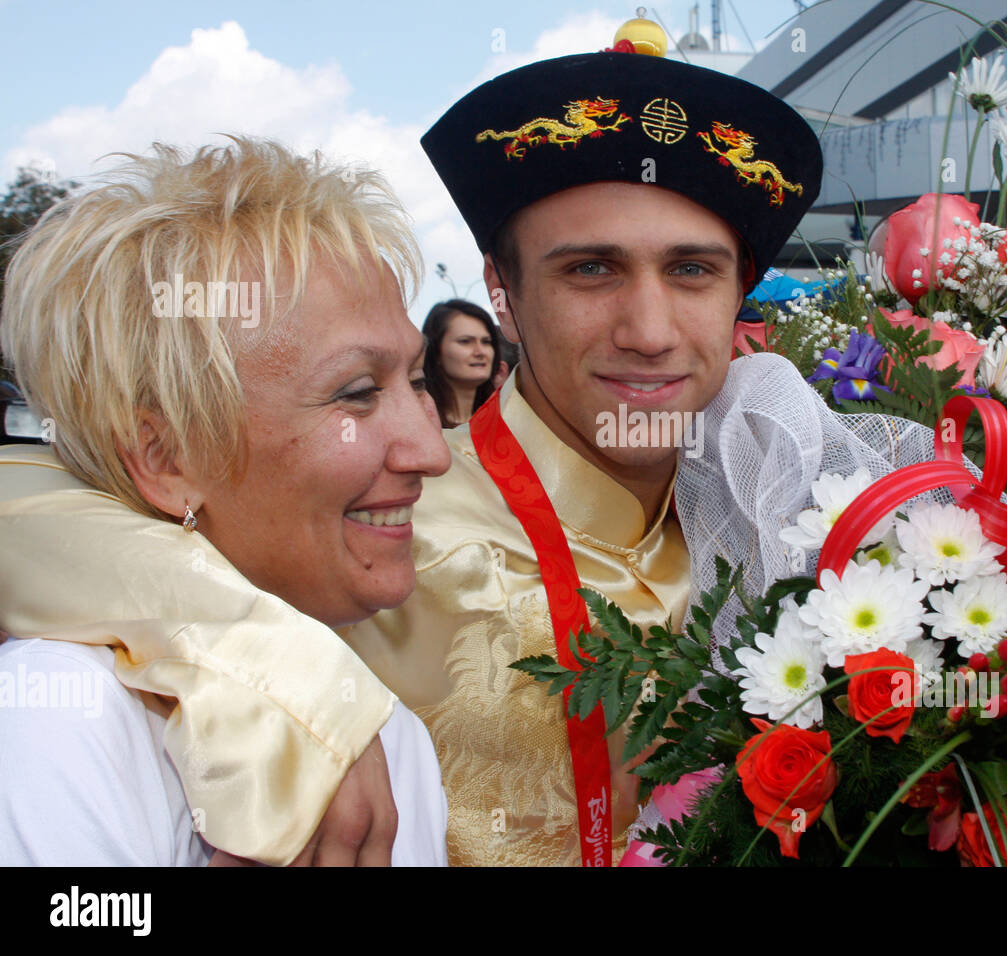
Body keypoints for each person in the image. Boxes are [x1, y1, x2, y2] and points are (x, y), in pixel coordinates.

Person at [0, 27, 832, 866]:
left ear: (740, 295)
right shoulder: (357, 550)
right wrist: (265, 661)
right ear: (500, 293)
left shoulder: (798, 515)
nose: (650, 332)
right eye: (590, 270)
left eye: (692, 270)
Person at [0, 138, 451, 865]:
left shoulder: (382, 731)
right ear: (165, 457)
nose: (432, 451)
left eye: (418, 381)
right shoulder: (53, 722)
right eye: (357, 394)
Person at [421, 298, 501, 427]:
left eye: (486, 342)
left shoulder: (505, 422)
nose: (480, 352)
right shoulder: (419, 424)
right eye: (465, 341)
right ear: (436, 351)